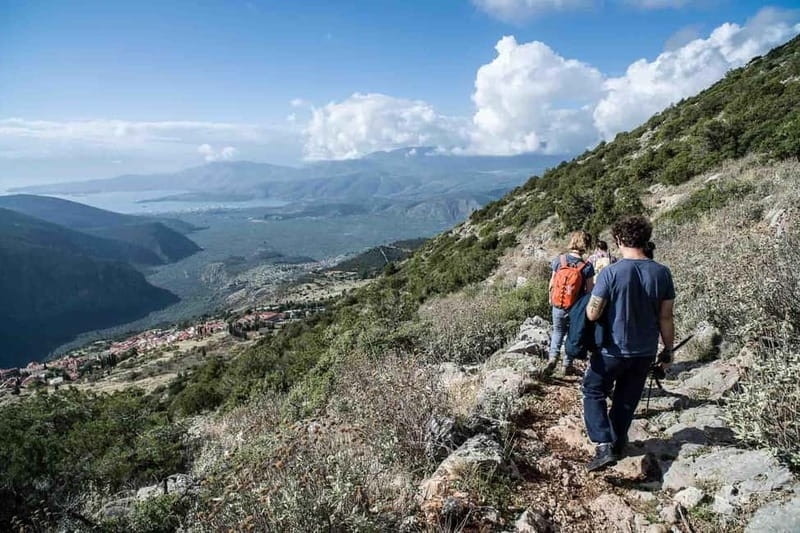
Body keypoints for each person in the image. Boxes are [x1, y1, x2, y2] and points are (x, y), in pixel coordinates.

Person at [583, 216, 675, 472]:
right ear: (645, 240)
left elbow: (592, 313)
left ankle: (603, 444)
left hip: (612, 349)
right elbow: (666, 317)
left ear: (619, 240)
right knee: (626, 398)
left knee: (593, 390)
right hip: (644, 350)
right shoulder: (662, 273)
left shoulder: (611, 272)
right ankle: (618, 441)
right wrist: (668, 351)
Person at [547, 230, 595, 376]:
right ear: (586, 244)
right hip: (576, 307)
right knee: (572, 335)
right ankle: (566, 365)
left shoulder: (559, 260)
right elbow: (589, 291)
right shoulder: (586, 266)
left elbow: (552, 283)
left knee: (557, 331)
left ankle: (552, 358)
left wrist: (551, 298)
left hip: (558, 304)